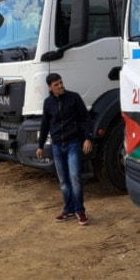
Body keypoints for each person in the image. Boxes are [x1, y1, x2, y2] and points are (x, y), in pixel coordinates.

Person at [36, 73, 93, 225]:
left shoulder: (74, 98)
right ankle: (68, 209)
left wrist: (87, 138)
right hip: (56, 145)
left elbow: (85, 118)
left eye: (61, 83)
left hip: (73, 143)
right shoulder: (48, 103)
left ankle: (80, 211)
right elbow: (45, 124)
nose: (60, 86)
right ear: (50, 87)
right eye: (56, 84)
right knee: (63, 180)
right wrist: (40, 145)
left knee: (75, 177)